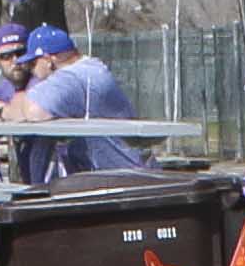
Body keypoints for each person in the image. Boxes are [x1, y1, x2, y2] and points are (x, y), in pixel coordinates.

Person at [17, 22, 152, 185]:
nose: (31, 71)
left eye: (32, 64)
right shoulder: (85, 69)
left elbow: (34, 111)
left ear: (47, 60)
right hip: (114, 178)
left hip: (127, 181)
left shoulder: (75, 76)